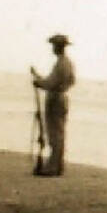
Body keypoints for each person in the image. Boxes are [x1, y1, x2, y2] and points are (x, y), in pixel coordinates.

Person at [32, 34, 76, 177]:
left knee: (54, 133)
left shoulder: (61, 64)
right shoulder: (68, 63)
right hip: (62, 97)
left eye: (54, 45)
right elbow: (71, 81)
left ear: (58, 47)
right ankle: (57, 166)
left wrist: (39, 83)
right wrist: (39, 78)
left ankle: (53, 167)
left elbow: (51, 83)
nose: (53, 48)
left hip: (55, 99)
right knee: (59, 132)